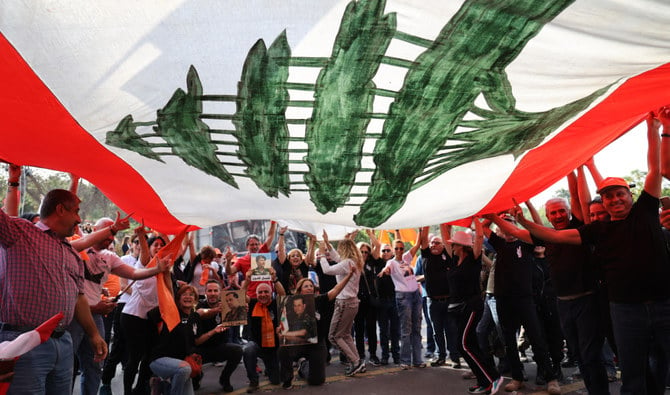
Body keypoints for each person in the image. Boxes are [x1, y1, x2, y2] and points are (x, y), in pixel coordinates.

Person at [514, 109, 670, 395]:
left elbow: (654, 168)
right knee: (633, 372)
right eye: (608, 196)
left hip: (663, 304)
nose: (614, 199)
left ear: (629, 195)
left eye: (619, 193)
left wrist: (656, 127)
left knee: (663, 365)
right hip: (624, 309)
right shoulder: (597, 230)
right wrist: (524, 221)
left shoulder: (646, 211)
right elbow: (555, 235)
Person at [0, 186, 110, 393]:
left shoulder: (72, 254)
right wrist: (13, 183)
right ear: (60, 209)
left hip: (64, 342)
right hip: (24, 342)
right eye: (76, 211)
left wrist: (94, 335)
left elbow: (79, 299)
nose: (79, 219)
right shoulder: (21, 233)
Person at [70, 218, 170, 395]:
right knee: (67, 366)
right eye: (107, 231)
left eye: (113, 234)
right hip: (72, 316)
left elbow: (133, 273)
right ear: (94, 230)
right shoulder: (76, 246)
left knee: (95, 365)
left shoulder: (110, 257)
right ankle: (110, 386)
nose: (110, 236)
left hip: (98, 317)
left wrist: (157, 269)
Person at [481, 213, 561, 395]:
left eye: (511, 225)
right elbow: (484, 227)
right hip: (502, 299)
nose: (508, 229)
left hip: (525, 299)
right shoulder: (499, 244)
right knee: (508, 340)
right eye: (504, 226)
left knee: (537, 338)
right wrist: (495, 215)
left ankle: (551, 378)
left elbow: (540, 229)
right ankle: (517, 377)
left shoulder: (525, 243)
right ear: (500, 229)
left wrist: (513, 219)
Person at [439, 221, 505, 395]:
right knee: (469, 345)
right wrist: (443, 219)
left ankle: (493, 378)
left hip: (472, 306)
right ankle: (484, 381)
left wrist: (476, 217)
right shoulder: (454, 259)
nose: (451, 245)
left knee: (463, 344)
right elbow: (445, 233)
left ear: (460, 246)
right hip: (458, 309)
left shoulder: (473, 259)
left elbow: (479, 237)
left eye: (454, 243)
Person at [278, 269, 355, 388]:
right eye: (306, 286)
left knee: (317, 381)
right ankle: (287, 379)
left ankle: (303, 365)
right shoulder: (291, 303)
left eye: (311, 286)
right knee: (283, 350)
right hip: (297, 343)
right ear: (300, 290)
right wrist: (281, 331)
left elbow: (336, 289)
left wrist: (349, 275)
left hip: (317, 344)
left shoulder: (320, 300)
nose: (309, 288)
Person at [317, 230, 366, 376]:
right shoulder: (353, 261)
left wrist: (321, 254)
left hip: (344, 303)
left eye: (339, 248)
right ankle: (357, 361)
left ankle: (355, 362)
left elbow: (327, 270)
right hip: (352, 303)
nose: (337, 251)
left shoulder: (347, 263)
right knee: (345, 335)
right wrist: (327, 243)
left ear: (344, 249)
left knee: (334, 336)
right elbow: (337, 258)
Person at [416, 224, 461, 368]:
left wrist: (442, 222)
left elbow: (447, 236)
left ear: (443, 245)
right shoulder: (426, 255)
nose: (433, 245)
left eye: (437, 242)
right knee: (437, 332)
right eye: (432, 243)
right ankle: (440, 356)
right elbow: (423, 240)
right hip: (432, 301)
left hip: (448, 300)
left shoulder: (448, 255)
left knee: (451, 331)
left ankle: (455, 358)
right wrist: (428, 222)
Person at [378, 232, 423, 369]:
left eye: (401, 248)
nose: (398, 250)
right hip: (403, 297)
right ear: (392, 249)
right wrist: (384, 271)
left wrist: (421, 230)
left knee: (417, 328)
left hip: (415, 295)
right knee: (406, 330)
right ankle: (405, 361)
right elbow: (387, 268)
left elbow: (417, 245)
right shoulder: (391, 262)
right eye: (396, 248)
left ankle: (417, 360)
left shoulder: (406, 258)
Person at [147, 285, 200, 395]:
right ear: (178, 298)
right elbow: (151, 314)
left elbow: (194, 340)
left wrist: (214, 331)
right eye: (184, 294)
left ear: (195, 299)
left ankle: (162, 383)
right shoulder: (172, 312)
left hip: (181, 363)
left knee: (185, 371)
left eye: (191, 295)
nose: (188, 297)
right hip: (160, 359)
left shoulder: (194, 317)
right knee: (185, 369)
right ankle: (163, 382)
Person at [194, 280, 243, 392]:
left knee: (237, 350)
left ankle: (225, 378)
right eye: (209, 290)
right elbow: (201, 313)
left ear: (220, 293)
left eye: (215, 290)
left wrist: (242, 310)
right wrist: (216, 310)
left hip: (220, 347)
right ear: (205, 292)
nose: (212, 293)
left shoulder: (227, 304)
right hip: (201, 348)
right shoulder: (199, 305)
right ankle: (196, 376)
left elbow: (243, 302)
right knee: (190, 354)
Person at [241, 271, 285, 393]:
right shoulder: (253, 303)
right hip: (257, 345)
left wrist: (275, 279)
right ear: (256, 294)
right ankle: (253, 381)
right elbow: (240, 295)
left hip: (273, 348)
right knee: (248, 349)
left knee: (276, 380)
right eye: (260, 292)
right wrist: (247, 280)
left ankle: (270, 368)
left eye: (266, 292)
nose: (263, 294)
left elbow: (283, 294)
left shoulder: (276, 304)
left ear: (271, 294)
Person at [225, 221, 277, 298]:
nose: (254, 247)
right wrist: (228, 261)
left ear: (260, 245)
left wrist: (273, 222)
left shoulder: (263, 252)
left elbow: (270, 235)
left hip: (267, 294)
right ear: (247, 247)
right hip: (251, 296)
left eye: (256, 244)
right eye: (252, 245)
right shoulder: (242, 260)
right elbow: (229, 272)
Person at [354, 229, 381, 366]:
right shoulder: (352, 262)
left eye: (366, 251)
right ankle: (360, 355)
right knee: (358, 328)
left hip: (370, 300)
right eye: (361, 251)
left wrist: (370, 234)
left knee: (371, 328)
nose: (364, 254)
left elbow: (378, 246)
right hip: (357, 300)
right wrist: (351, 236)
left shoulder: (371, 261)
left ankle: (373, 354)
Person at [276, 226, 315, 295]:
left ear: (301, 259)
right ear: (289, 259)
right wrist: (281, 235)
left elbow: (310, 253)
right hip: (288, 297)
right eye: (293, 256)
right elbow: (281, 250)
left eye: (298, 256)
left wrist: (311, 239)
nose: (295, 257)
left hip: (304, 296)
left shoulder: (304, 266)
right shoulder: (286, 265)